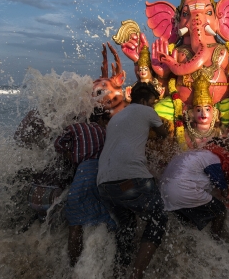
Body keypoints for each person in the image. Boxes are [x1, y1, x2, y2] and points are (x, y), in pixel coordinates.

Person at [97, 82, 168, 279]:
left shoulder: (115, 118)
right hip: (131, 179)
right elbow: (165, 134)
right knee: (159, 217)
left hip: (104, 184)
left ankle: (119, 273)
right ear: (145, 101)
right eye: (153, 103)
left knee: (127, 227)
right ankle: (137, 274)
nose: (153, 107)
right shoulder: (147, 112)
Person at [53, 107, 117, 266]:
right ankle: (110, 266)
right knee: (109, 221)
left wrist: (72, 155)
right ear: (102, 119)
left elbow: (58, 144)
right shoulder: (106, 132)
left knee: (75, 223)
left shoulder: (76, 127)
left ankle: (73, 267)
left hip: (83, 174)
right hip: (104, 176)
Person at [159, 142, 229, 239]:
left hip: (165, 193)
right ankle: (217, 243)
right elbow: (225, 192)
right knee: (220, 211)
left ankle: (190, 246)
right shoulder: (214, 159)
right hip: (184, 190)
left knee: (188, 224)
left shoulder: (194, 154)